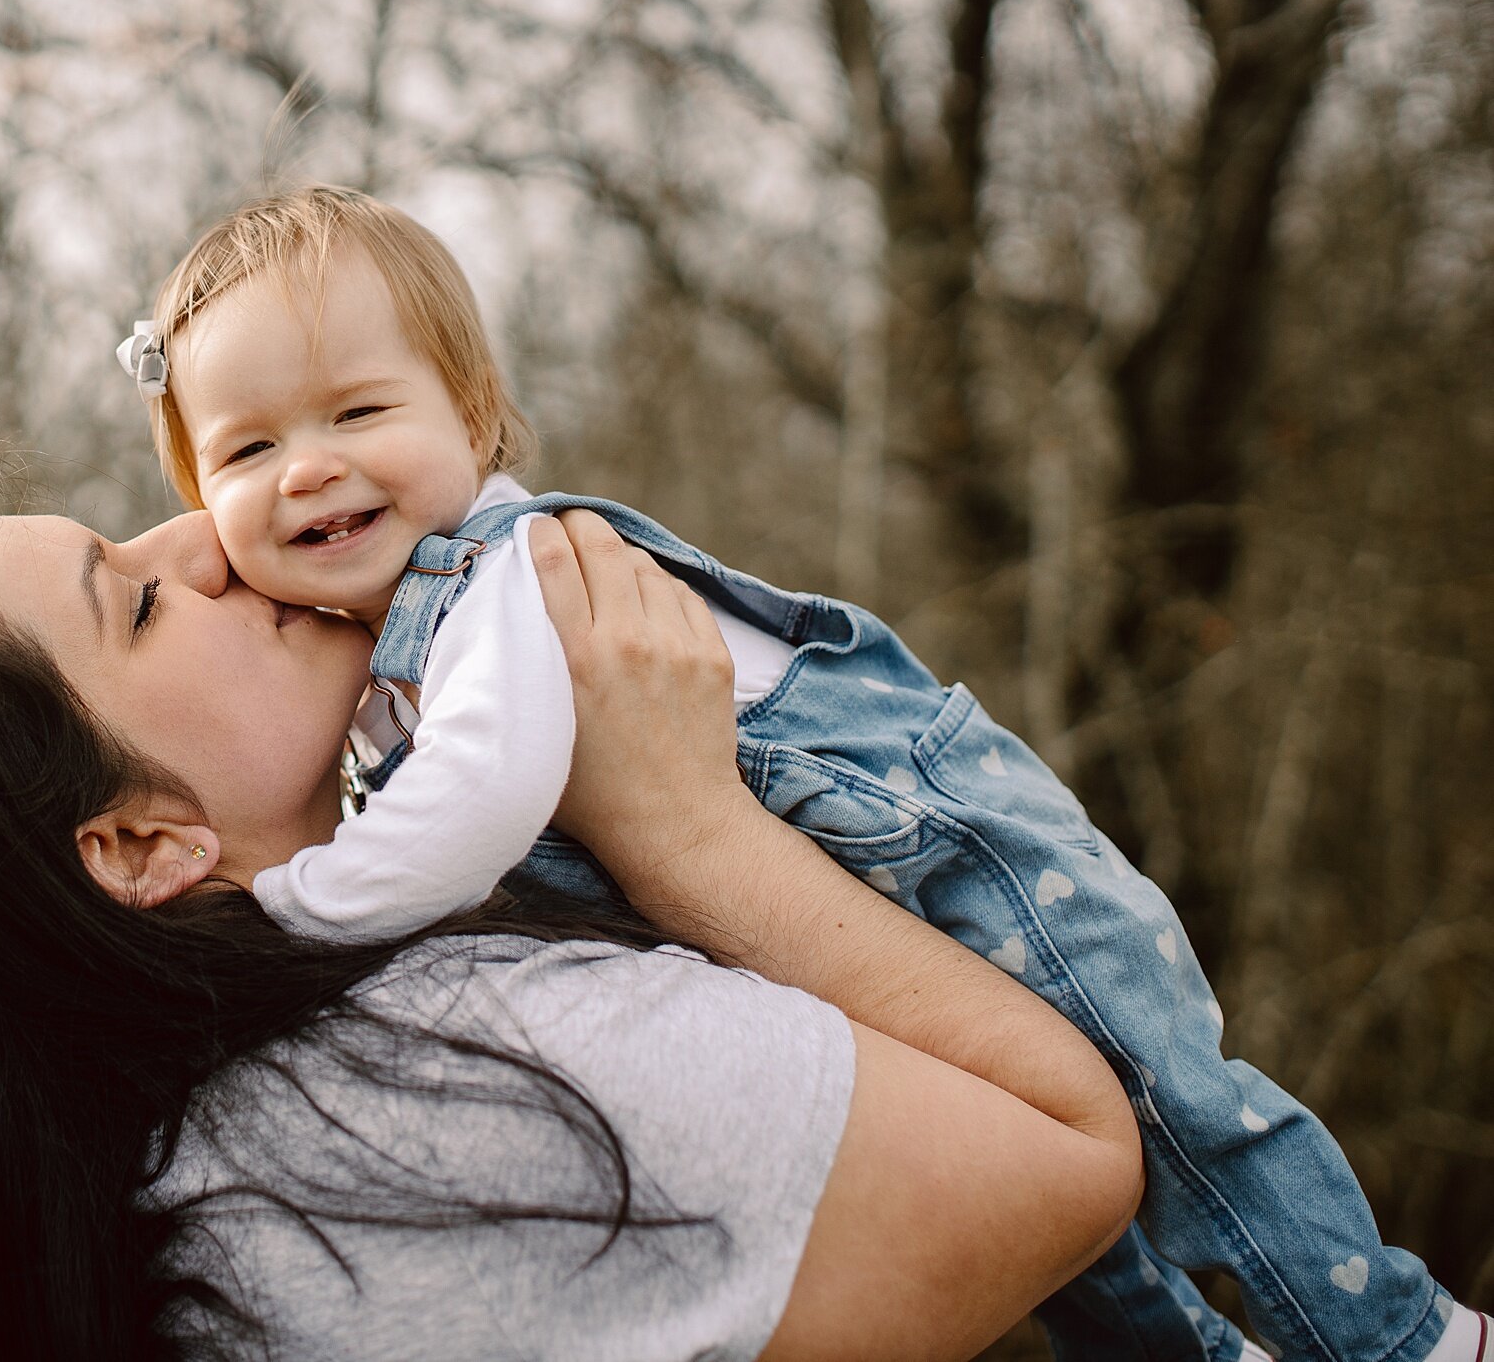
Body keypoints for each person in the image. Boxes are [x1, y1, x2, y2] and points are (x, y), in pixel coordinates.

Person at [112, 185, 1482, 1362]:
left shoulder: (503, 583)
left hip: (931, 820)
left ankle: (1400, 1334)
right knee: (1058, 1236)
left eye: (357, 406)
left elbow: (480, 792)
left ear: (473, 414)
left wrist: (295, 909)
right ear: (198, 502)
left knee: (1170, 1098)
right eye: (248, 448)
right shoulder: (371, 675)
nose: (312, 466)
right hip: (824, 896)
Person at [0, 473, 1151, 1361]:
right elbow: (1066, 1158)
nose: (200, 534)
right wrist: (685, 829)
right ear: (137, 841)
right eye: (132, 602)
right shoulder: (428, 1089)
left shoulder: (179, 1170)